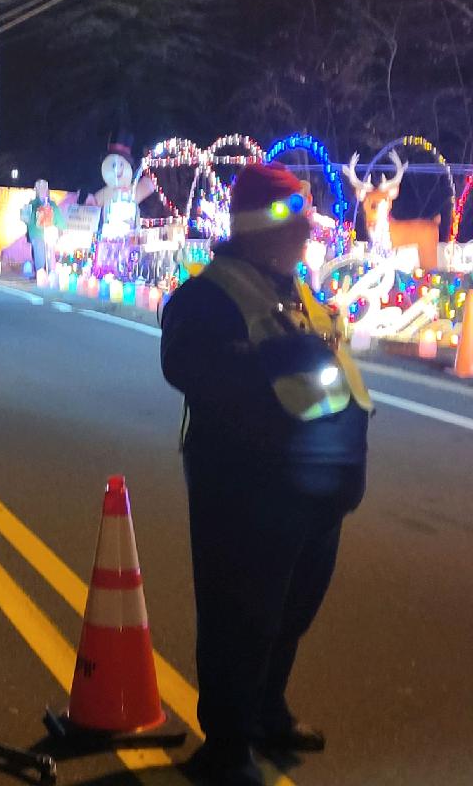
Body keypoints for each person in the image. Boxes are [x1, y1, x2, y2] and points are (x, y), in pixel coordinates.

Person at [160, 163, 372, 786]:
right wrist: (272, 358)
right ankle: (226, 748)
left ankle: (267, 713)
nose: (308, 234)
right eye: (298, 222)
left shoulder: (294, 288)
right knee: (238, 618)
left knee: (289, 613)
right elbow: (185, 364)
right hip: (244, 490)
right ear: (260, 228)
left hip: (314, 489)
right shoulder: (208, 295)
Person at [21, 179, 64, 274]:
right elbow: (27, 219)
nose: (43, 189)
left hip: (50, 234)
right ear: (37, 189)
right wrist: (25, 216)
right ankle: (40, 275)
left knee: (50, 256)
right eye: (40, 187)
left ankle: (51, 275)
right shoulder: (32, 204)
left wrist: (61, 228)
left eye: (44, 187)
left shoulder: (52, 204)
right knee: (39, 256)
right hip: (37, 234)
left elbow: (59, 218)